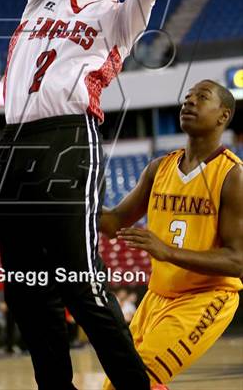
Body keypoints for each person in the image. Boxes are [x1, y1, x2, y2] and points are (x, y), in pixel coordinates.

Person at [0, 0, 200, 390]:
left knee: (79, 279)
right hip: (12, 142)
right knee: (25, 287)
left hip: (67, 139)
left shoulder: (118, 16)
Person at [100, 79, 243, 389]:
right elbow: (113, 222)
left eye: (201, 98)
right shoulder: (158, 168)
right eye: (187, 98)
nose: (188, 102)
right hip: (156, 297)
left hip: (204, 298)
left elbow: (238, 260)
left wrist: (166, 251)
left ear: (224, 116)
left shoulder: (233, 176)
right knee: (119, 381)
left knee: (128, 383)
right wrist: (71, 204)